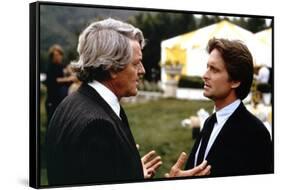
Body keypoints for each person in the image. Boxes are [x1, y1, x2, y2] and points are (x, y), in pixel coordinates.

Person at [46, 18, 162, 186]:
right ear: (112, 67)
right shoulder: (98, 127)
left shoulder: (69, 103)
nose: (142, 70)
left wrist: (131, 171)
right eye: (136, 63)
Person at [166, 38, 273, 178]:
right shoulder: (210, 122)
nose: (205, 75)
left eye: (214, 70)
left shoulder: (256, 133)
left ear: (235, 81)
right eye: (207, 67)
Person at [45, 44, 74, 124]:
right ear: (52, 56)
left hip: (63, 97)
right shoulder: (50, 67)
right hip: (53, 98)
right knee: (52, 120)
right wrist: (67, 79)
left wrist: (70, 72)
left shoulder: (62, 66)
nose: (58, 57)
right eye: (56, 55)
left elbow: (72, 75)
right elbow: (53, 80)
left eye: (60, 54)